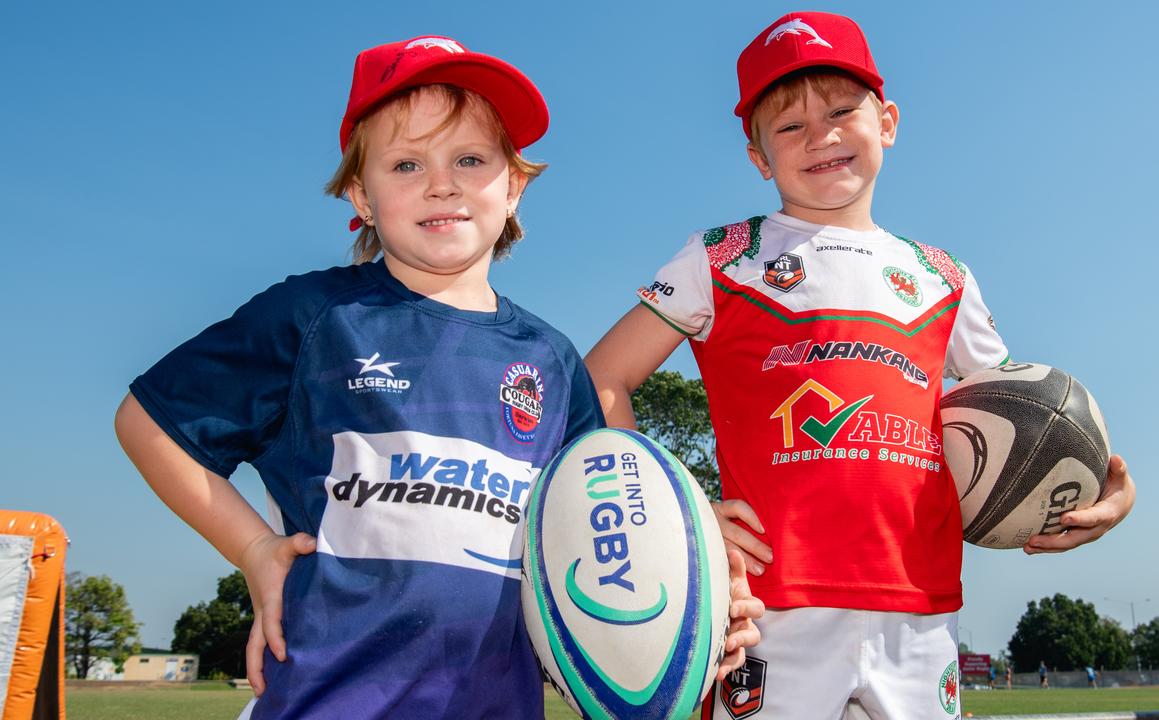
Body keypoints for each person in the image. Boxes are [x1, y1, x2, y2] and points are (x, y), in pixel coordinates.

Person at [115, 34, 761, 719]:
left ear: (512, 186)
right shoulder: (315, 317)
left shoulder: (549, 359)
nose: (441, 182)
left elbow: (599, 540)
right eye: (405, 163)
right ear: (361, 194)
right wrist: (254, 549)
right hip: (325, 700)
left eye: (470, 159)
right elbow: (148, 423)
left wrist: (700, 599)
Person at [585, 11, 1136, 720]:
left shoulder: (945, 277)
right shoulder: (721, 256)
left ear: (889, 122)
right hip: (767, 608)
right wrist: (680, 517)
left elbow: (1024, 423)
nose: (820, 135)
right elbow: (602, 378)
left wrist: (1104, 494)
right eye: (788, 126)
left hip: (920, 610)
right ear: (758, 156)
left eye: (843, 110)